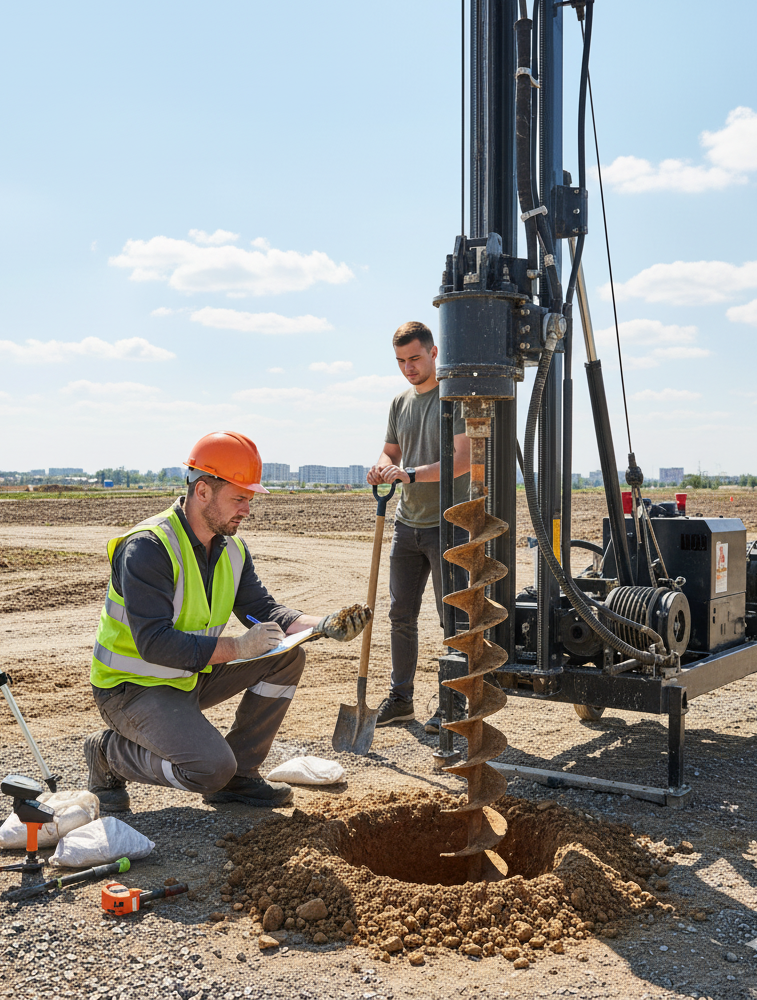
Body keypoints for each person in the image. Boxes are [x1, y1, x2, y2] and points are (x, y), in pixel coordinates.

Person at [84, 431, 370, 810]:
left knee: (285, 657)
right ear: (203, 491)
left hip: (188, 675)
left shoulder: (231, 549)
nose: (247, 510)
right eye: (239, 498)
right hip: (132, 688)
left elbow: (263, 610)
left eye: (250, 499)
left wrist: (322, 625)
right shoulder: (148, 548)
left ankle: (240, 777)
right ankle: (107, 754)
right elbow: (154, 644)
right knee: (210, 769)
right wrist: (237, 648)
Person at [367, 321, 471, 732]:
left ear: (433, 353)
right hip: (406, 524)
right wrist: (382, 468)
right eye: (400, 361)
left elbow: (462, 460)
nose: (408, 368)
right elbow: (390, 452)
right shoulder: (399, 403)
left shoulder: (454, 398)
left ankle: (453, 702)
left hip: (449, 525)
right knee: (400, 616)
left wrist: (409, 474)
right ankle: (401, 700)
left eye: (414, 358)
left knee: (453, 619)